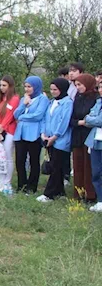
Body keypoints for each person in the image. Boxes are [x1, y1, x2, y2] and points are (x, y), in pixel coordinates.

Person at [37, 79, 73, 202]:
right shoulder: (52, 102)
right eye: (51, 89)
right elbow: (45, 119)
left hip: (61, 140)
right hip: (48, 137)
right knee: (56, 165)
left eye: (55, 90)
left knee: (56, 166)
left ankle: (49, 194)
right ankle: (59, 191)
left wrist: (55, 136)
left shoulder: (67, 103)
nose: (52, 92)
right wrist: (43, 133)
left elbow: (64, 121)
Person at [13, 76, 49, 194]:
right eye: (25, 86)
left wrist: (23, 117)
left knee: (34, 160)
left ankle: (31, 186)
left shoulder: (42, 99)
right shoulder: (24, 98)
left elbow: (38, 115)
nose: (27, 89)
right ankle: (21, 184)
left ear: (36, 87)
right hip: (20, 134)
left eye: (30, 86)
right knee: (19, 160)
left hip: (34, 134)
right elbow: (16, 114)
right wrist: (23, 104)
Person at [69, 74, 98, 203]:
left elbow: (93, 118)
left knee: (89, 166)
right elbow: (72, 118)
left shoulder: (95, 99)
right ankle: (78, 193)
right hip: (77, 135)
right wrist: (80, 122)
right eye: (76, 85)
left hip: (89, 136)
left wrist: (85, 121)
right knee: (78, 165)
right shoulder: (78, 98)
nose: (78, 88)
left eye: (80, 85)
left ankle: (90, 194)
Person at [0, 76, 20, 193]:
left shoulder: (15, 99)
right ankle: (1, 181)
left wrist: (0, 129)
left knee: (7, 157)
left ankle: (7, 182)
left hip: (9, 131)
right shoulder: (0, 100)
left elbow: (9, 117)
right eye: (0, 85)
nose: (2, 88)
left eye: (4, 85)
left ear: (10, 86)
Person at [81, 83, 102, 212]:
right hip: (95, 141)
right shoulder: (98, 102)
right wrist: (90, 119)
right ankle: (100, 200)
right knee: (96, 172)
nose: (101, 90)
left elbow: (98, 120)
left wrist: (90, 119)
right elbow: (87, 119)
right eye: (100, 87)